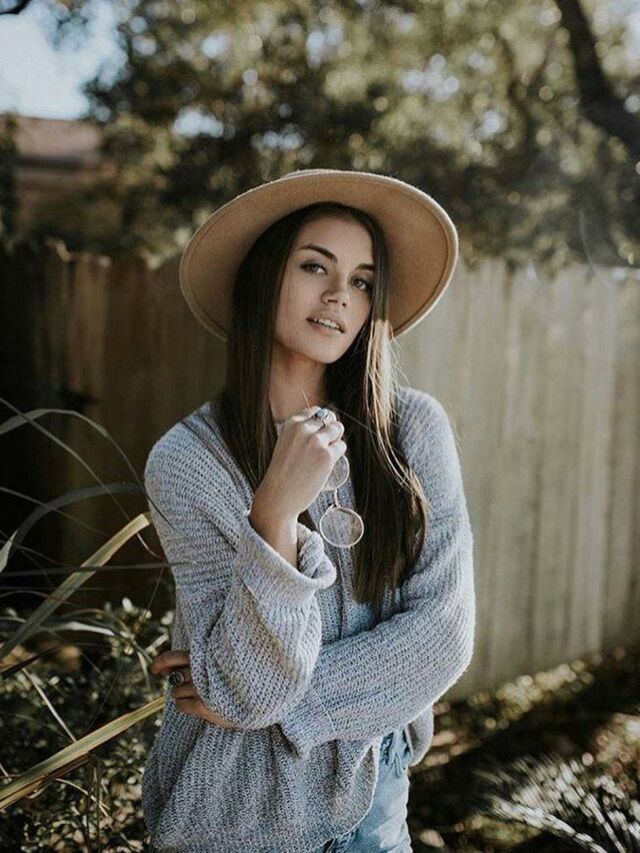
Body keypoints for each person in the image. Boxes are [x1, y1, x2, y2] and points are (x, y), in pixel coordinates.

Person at [141, 168, 476, 852]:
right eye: (315, 266)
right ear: (263, 276)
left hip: (373, 803)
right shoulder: (187, 461)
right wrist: (273, 517)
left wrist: (270, 698)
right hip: (234, 811)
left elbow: (443, 635)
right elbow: (244, 687)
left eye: (362, 280)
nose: (339, 296)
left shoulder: (413, 431)